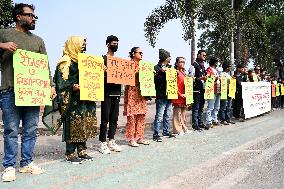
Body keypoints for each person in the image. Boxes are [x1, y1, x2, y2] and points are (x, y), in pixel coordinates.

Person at [0, 3, 56, 182]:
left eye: (34, 16)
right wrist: (2, 45)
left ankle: (26, 163)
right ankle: (9, 166)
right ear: (18, 16)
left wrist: (51, 85)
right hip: (10, 90)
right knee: (10, 129)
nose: (34, 19)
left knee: (31, 129)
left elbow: (44, 65)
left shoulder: (38, 40)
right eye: (30, 15)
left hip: (33, 92)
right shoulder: (4, 33)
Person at [52, 36, 97, 164]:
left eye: (85, 44)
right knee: (72, 125)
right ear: (74, 44)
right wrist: (72, 87)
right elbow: (60, 82)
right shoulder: (65, 62)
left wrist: (101, 70)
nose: (84, 46)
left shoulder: (87, 61)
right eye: (82, 43)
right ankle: (70, 152)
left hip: (85, 100)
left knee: (84, 124)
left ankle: (82, 150)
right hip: (72, 100)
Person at [98, 35, 122, 154]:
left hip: (117, 92)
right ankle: (102, 142)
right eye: (113, 43)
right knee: (105, 118)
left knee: (114, 118)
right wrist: (102, 70)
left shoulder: (120, 62)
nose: (115, 45)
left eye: (117, 43)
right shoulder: (102, 59)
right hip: (106, 92)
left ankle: (111, 141)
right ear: (108, 44)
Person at [124, 47, 150, 147]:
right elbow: (126, 77)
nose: (141, 54)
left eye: (142, 53)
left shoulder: (144, 65)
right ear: (133, 54)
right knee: (132, 116)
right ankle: (131, 139)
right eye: (140, 52)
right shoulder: (128, 64)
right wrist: (137, 72)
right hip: (132, 92)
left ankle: (140, 137)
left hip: (142, 93)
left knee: (142, 115)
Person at [153, 49, 174, 142]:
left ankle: (165, 131)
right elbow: (155, 81)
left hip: (169, 95)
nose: (170, 58)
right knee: (159, 115)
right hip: (161, 95)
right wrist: (161, 72)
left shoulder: (171, 69)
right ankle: (156, 134)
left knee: (167, 115)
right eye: (169, 56)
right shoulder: (156, 68)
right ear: (165, 57)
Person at [172, 57, 191, 135]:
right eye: (180, 62)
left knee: (183, 114)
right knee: (177, 114)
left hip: (185, 96)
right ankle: (177, 130)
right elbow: (172, 85)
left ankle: (183, 127)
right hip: (178, 95)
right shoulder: (175, 72)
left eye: (183, 62)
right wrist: (179, 94)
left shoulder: (184, 73)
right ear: (177, 63)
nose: (182, 63)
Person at [190, 50, 207, 131]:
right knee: (196, 107)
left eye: (205, 55)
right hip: (196, 90)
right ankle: (195, 124)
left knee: (201, 107)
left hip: (203, 89)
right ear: (198, 55)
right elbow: (190, 78)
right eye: (203, 55)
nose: (204, 56)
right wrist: (200, 78)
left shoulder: (203, 65)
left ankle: (200, 122)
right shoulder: (194, 65)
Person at [205, 57, 221, 129]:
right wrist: (216, 78)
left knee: (217, 106)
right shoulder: (209, 69)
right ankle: (209, 121)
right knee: (210, 106)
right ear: (214, 63)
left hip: (218, 89)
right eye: (217, 62)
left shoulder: (216, 70)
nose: (218, 63)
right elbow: (208, 78)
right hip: (211, 90)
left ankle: (215, 119)